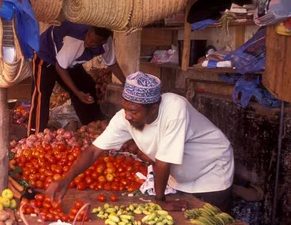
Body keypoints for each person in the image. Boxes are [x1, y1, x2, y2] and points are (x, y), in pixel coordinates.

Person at [48, 72, 235, 211]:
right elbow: (94, 151)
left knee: (211, 223)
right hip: (182, 178)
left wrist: (160, 201)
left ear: (154, 109)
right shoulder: (125, 117)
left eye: (134, 112)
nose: (128, 116)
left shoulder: (175, 108)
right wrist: (66, 178)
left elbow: (163, 161)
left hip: (212, 171)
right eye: (125, 108)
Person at [28, 22, 127, 135]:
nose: (89, 41)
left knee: (86, 85)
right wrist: (76, 92)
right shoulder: (75, 40)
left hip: (68, 61)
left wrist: (125, 82)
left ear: (102, 42)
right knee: (41, 95)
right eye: (89, 37)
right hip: (45, 56)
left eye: (94, 41)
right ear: (89, 29)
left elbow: (112, 63)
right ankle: (34, 134)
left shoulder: (106, 43)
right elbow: (60, 68)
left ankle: (92, 126)